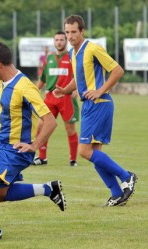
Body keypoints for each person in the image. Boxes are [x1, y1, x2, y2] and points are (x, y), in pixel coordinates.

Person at [0, 42, 65, 241]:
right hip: (1, 147)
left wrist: (34, 145)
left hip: (14, 151)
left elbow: (51, 121)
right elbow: (1, 117)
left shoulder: (25, 87)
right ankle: (48, 189)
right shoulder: (2, 83)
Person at [54, 15, 137, 206]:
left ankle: (127, 177)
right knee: (95, 153)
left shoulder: (93, 48)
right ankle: (116, 193)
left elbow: (117, 70)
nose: (70, 36)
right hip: (89, 105)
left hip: (99, 103)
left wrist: (100, 90)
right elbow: (78, 77)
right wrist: (66, 90)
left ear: (82, 31)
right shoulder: (72, 53)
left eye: (74, 32)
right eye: (67, 32)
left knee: (84, 151)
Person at [31, 31, 79, 167]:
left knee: (70, 129)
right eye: (56, 40)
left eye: (61, 40)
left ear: (66, 41)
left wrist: (76, 88)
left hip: (66, 97)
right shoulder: (49, 58)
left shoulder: (72, 57)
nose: (59, 42)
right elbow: (43, 79)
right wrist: (32, 92)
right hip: (50, 97)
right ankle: (42, 157)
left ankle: (73, 160)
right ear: (54, 42)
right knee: (42, 126)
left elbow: (79, 75)